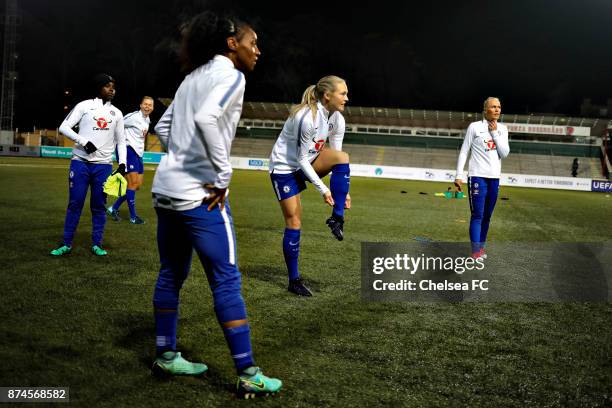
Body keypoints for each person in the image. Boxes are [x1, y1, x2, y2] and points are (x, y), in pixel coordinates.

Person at [149, 11, 281, 398]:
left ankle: (165, 354)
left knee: (171, 273)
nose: (258, 50)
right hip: (200, 196)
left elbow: (162, 127)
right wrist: (221, 175)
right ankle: (248, 372)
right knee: (225, 279)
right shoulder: (231, 75)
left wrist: (181, 159)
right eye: (252, 42)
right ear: (231, 44)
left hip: (166, 190)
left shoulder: (193, 77)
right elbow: (208, 119)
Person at [269, 76, 351, 296]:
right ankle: (294, 280)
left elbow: (335, 157)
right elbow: (301, 159)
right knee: (294, 222)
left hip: (310, 161)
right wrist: (323, 190)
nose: (346, 98)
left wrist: (344, 193)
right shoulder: (307, 117)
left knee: (343, 156)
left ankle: (337, 217)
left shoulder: (337, 120)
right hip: (285, 169)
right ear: (327, 95)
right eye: (342, 94)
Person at [50, 74, 127, 257]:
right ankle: (66, 243)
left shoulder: (117, 113)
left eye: (113, 87)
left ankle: (97, 244)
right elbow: (64, 127)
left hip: (103, 166)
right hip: (80, 163)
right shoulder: (84, 106)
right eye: (108, 86)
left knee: (99, 206)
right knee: (75, 204)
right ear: (99, 87)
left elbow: (121, 142)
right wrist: (83, 141)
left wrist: (122, 164)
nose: (111, 89)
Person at [454, 97, 510, 259]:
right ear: (485, 110)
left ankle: (481, 249)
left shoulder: (503, 129)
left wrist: (494, 133)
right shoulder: (475, 127)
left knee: (487, 216)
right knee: (477, 215)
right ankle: (475, 252)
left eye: (499, 107)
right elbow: (464, 151)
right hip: (477, 177)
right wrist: (459, 175)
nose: (497, 110)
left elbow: (504, 153)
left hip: (494, 178)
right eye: (493, 107)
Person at [107, 96, 154, 224]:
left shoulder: (147, 120)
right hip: (128, 151)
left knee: (136, 185)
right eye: (145, 104)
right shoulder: (134, 117)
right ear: (140, 105)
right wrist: (117, 143)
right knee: (132, 184)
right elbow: (117, 123)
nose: (147, 107)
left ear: (152, 108)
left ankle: (113, 208)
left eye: (150, 105)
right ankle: (133, 217)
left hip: (138, 154)